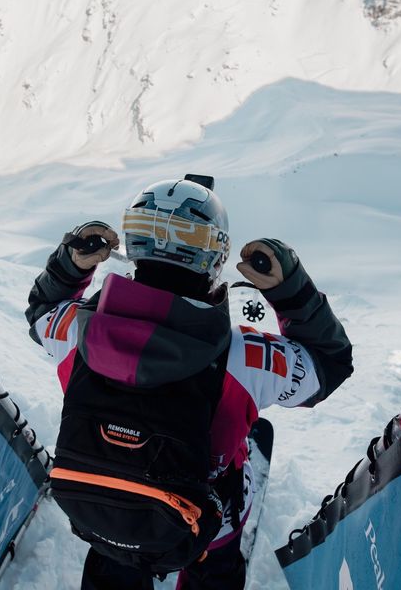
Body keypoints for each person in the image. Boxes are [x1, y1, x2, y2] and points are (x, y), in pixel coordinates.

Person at [25, 175, 353, 589]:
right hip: (206, 523)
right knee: (214, 559)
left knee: (117, 562)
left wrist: (68, 265)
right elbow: (329, 365)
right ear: (214, 257)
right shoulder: (244, 356)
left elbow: (42, 312)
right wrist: (291, 291)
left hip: (102, 507)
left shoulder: (75, 330)